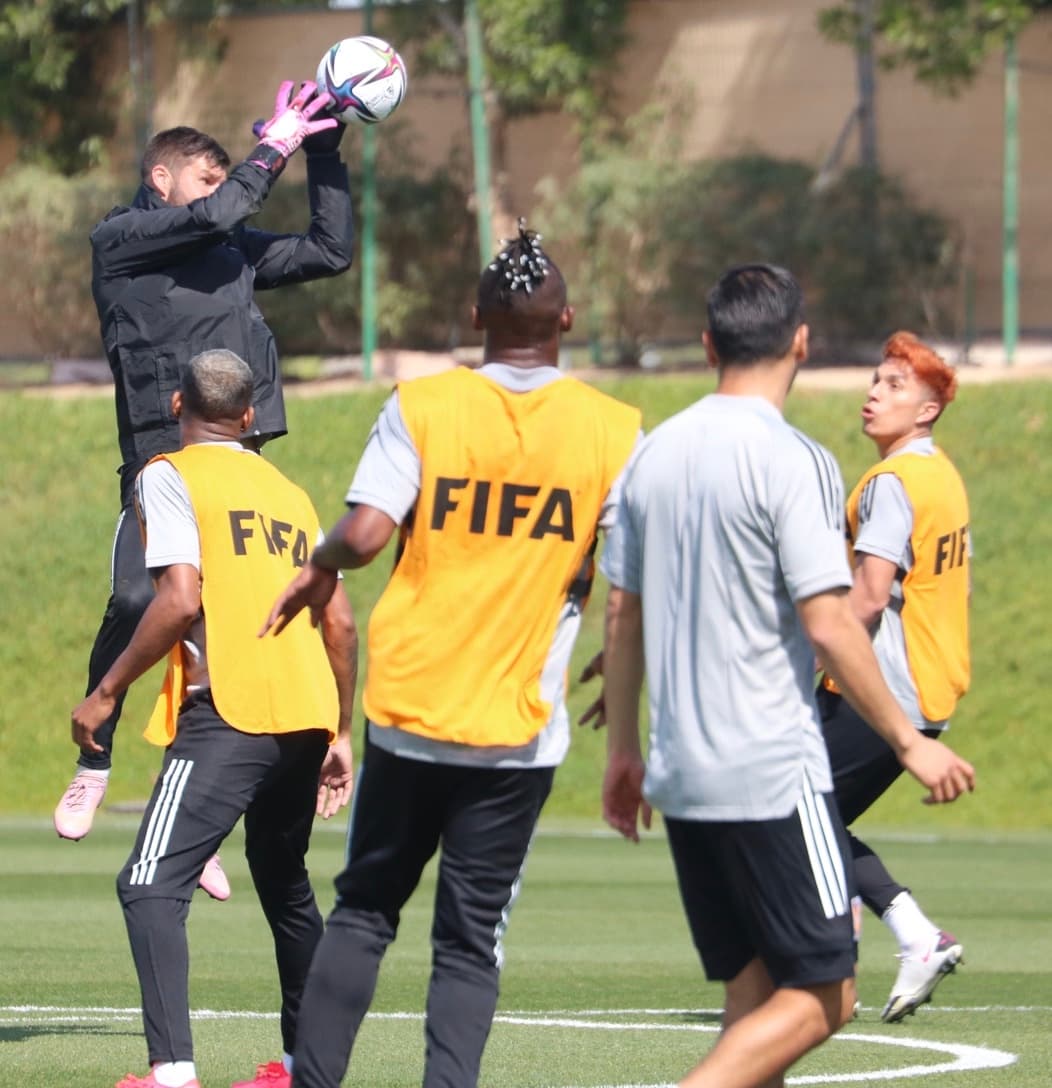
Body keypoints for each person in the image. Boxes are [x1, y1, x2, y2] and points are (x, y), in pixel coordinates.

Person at [260, 223, 642, 1088]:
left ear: (475, 317)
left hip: (410, 709)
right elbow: (627, 586)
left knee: (364, 913)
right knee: (469, 941)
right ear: (566, 321)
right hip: (517, 730)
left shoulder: (424, 404)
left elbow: (366, 532)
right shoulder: (615, 430)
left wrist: (319, 564)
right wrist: (621, 676)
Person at [599, 264, 975, 1088]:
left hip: (682, 770)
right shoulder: (799, 460)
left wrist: (623, 751)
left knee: (753, 996)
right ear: (801, 343)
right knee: (826, 996)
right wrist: (909, 741)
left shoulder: (651, 455)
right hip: (771, 764)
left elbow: (622, 610)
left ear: (707, 345)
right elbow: (833, 619)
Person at [55, 80, 355, 877]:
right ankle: (94, 758)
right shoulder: (122, 239)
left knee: (232, 633)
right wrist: (275, 144)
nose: (223, 191)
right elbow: (216, 215)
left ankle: (191, 802)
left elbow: (330, 250)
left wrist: (323, 152)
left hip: (241, 462)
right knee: (138, 601)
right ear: (163, 179)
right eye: (207, 177)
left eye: (226, 178)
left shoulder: (230, 250)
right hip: (162, 456)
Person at [71, 348, 357, 1088]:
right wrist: (341, 731)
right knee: (285, 881)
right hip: (305, 712)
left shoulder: (169, 474)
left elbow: (178, 600)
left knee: (148, 884)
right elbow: (341, 622)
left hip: (232, 709)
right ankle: (303, 1069)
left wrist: (107, 691)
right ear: (251, 416)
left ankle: (172, 1075)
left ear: (177, 405)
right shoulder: (290, 494)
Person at [819, 331, 970, 1022]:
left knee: (791, 813)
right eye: (876, 380)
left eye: (895, 385)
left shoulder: (892, 482)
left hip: (882, 687)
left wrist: (815, 655)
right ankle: (899, 938)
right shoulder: (942, 476)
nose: (874, 393)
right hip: (928, 684)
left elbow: (870, 596)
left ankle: (846, 957)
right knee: (813, 817)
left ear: (928, 409)